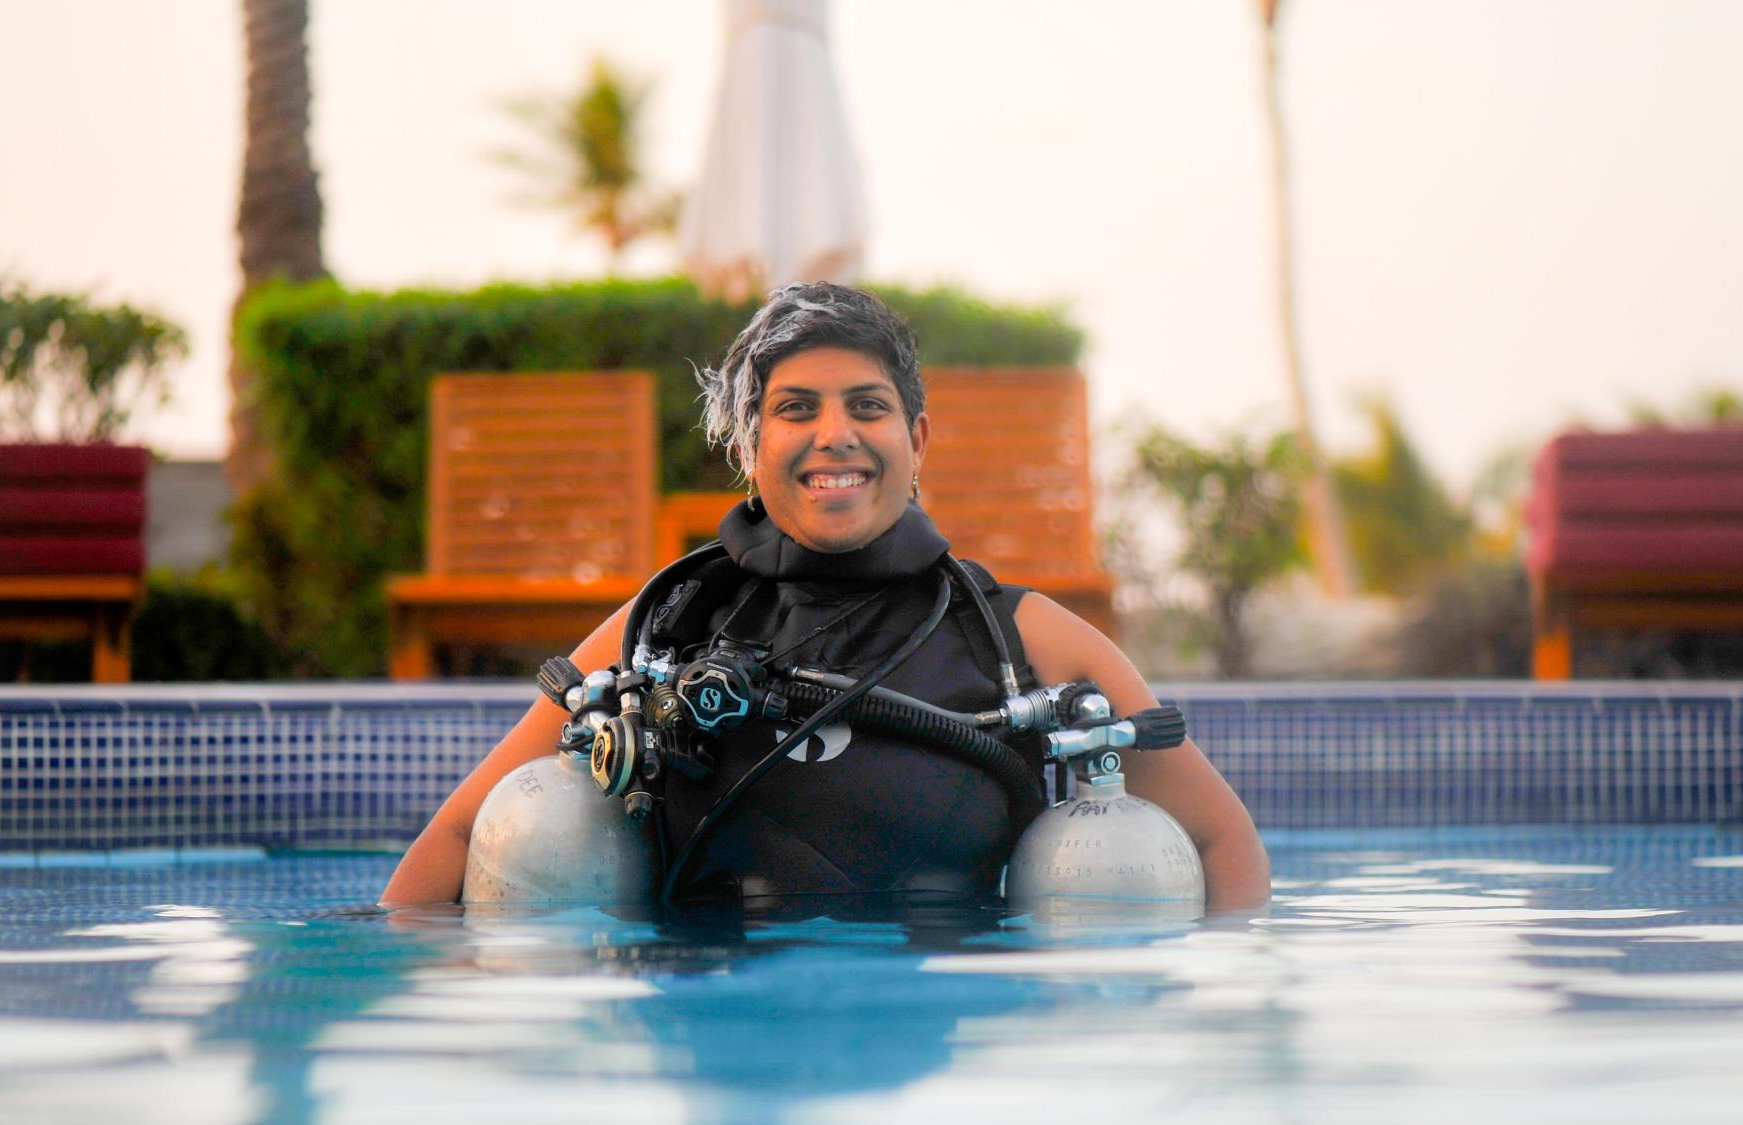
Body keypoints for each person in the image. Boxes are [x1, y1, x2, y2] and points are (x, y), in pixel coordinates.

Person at [381, 283, 1270, 913]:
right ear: (748, 446)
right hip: (717, 1038)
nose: (835, 434)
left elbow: (1221, 840)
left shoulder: (1023, 638)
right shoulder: (663, 626)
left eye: (867, 406)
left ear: (917, 439)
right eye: (797, 408)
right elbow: (462, 838)